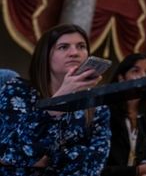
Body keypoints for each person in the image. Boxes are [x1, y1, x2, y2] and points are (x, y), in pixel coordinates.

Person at [0, 24, 110, 175]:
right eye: (63, 47)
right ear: (45, 55)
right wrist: (61, 97)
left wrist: (48, 159)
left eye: (81, 46)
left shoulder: (97, 106)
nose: (74, 53)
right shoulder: (18, 90)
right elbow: (10, 154)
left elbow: (95, 164)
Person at [102, 53, 146, 176]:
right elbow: (97, 165)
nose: (144, 76)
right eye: (136, 71)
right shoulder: (105, 113)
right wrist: (137, 171)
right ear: (121, 78)